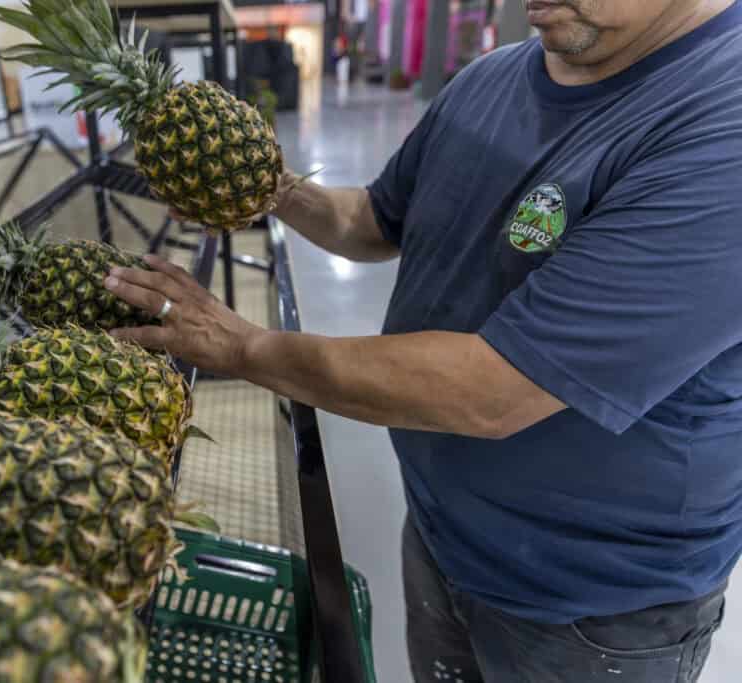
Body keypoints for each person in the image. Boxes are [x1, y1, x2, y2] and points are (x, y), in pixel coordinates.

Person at [104, 1, 742, 681]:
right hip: (441, 531)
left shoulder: (717, 131)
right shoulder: (491, 78)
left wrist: (240, 347)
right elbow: (372, 222)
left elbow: (495, 390)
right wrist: (271, 188)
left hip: (591, 608)